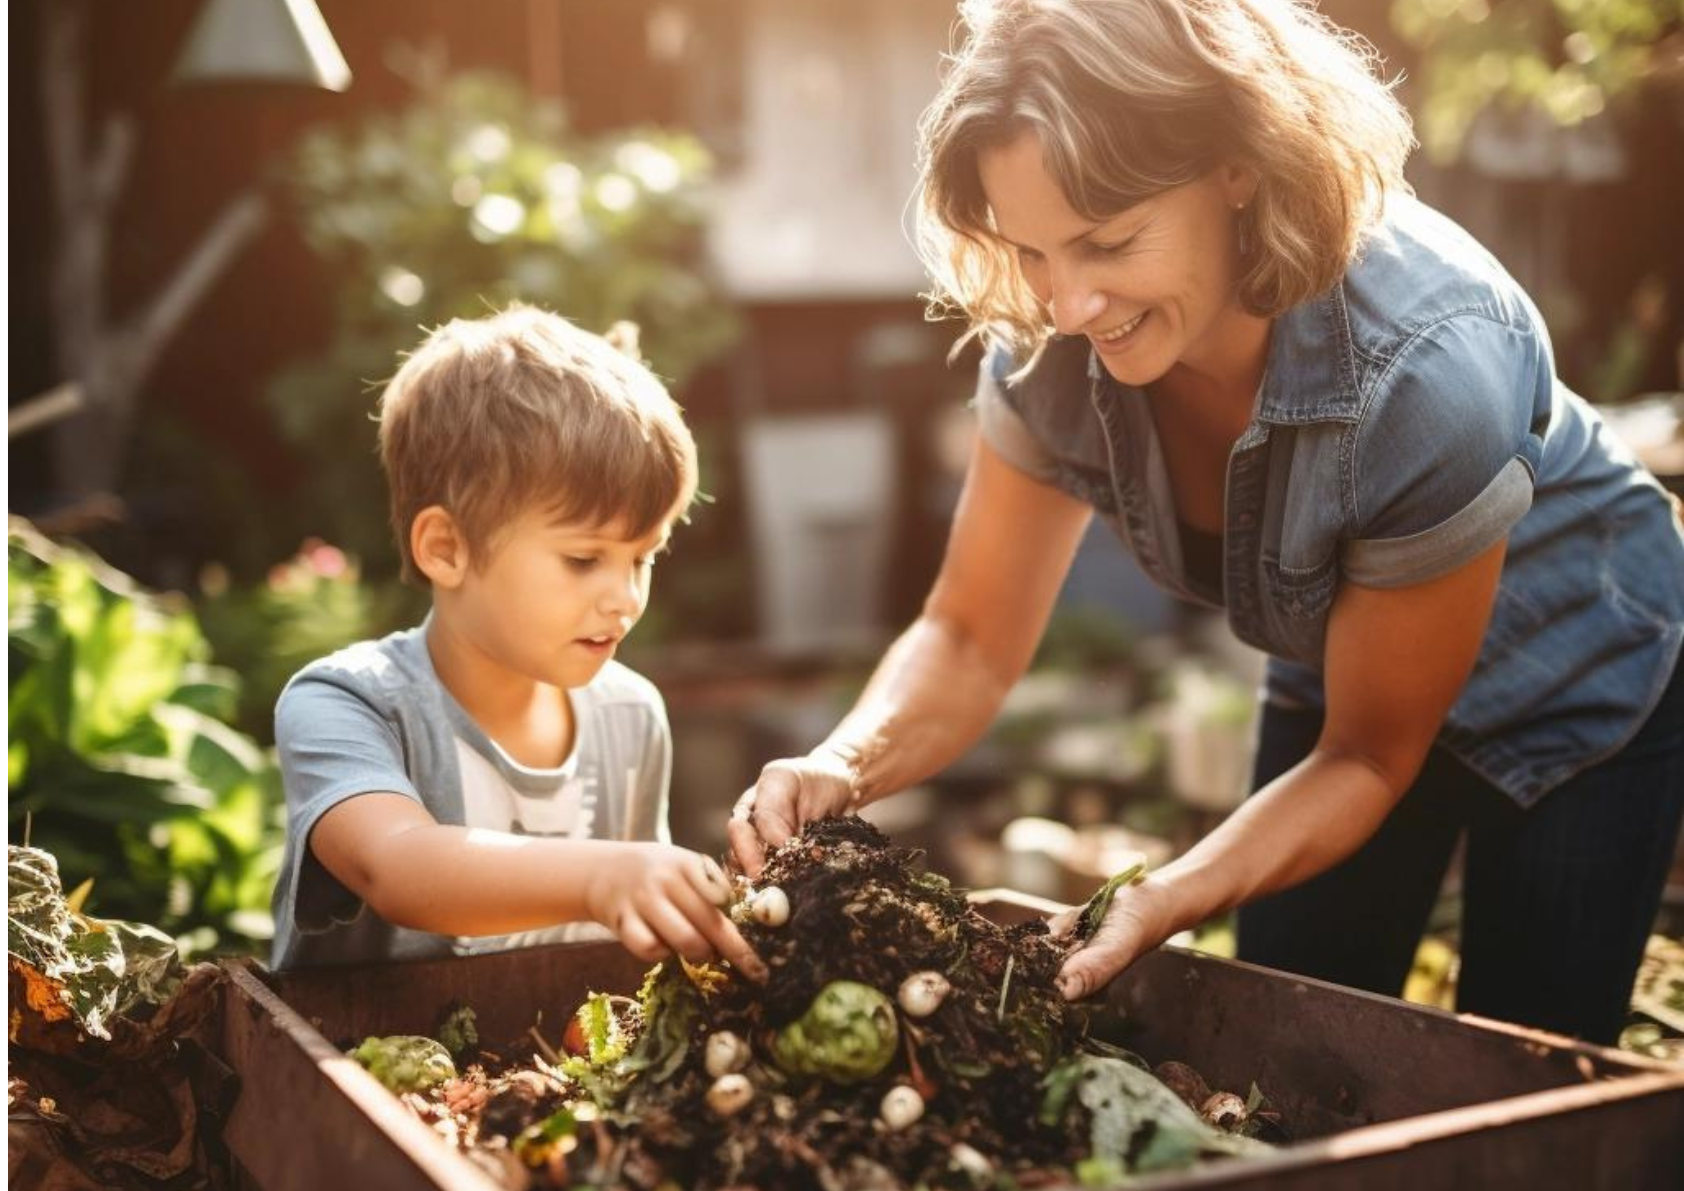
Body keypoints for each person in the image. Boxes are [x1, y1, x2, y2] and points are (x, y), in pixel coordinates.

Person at [728, 0, 1684, 1044]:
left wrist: (1171, 892)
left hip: (1582, 670)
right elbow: (966, 638)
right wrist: (842, 761)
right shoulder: (1052, 346)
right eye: (1035, 252)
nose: (1069, 305)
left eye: (1107, 242)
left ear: (1238, 165)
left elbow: (1370, 756)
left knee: (1525, 1071)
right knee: (1281, 1054)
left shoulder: (1426, 369)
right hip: (1342, 680)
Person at [270, 306, 764, 980]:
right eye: (584, 559)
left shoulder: (630, 717)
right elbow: (397, 864)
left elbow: (631, 959)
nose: (625, 596)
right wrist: (605, 875)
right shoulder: (349, 703)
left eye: (644, 557)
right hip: (357, 1072)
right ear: (447, 548)